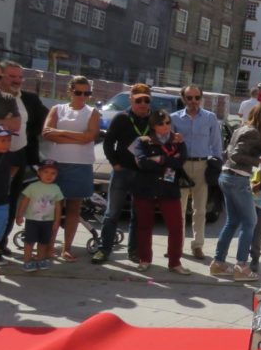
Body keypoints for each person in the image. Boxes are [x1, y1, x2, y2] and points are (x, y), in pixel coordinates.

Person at [211, 104, 261, 281]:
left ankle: (218, 263)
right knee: (250, 222)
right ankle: (242, 266)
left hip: (226, 176)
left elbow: (234, 151)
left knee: (232, 221)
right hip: (238, 178)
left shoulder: (243, 128)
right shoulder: (253, 132)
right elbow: (237, 155)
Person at [42, 76, 100, 262]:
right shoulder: (57, 109)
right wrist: (77, 136)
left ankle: (66, 248)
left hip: (81, 164)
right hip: (56, 164)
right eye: (78, 92)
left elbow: (89, 137)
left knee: (74, 207)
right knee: (53, 207)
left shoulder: (92, 112)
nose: (83, 96)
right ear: (70, 91)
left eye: (87, 93)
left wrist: (61, 133)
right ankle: (49, 247)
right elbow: (46, 133)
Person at [92, 83, 152, 264]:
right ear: (131, 100)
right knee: (112, 213)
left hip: (143, 175)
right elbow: (108, 143)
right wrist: (115, 163)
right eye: (138, 100)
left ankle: (133, 251)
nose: (142, 103)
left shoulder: (154, 119)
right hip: (122, 172)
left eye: (146, 100)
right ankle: (104, 249)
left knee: (138, 215)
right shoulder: (121, 118)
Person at [0, 61, 48, 260]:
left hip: (19, 155)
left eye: (20, 77)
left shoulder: (29, 99)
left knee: (11, 201)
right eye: (12, 76)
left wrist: (27, 136)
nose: (17, 80)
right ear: (1, 77)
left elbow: (43, 120)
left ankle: (1, 243)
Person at [132, 109, 188, 274]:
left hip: (169, 189)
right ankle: (144, 259)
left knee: (176, 227)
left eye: (168, 122)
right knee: (144, 226)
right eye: (161, 123)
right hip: (145, 188)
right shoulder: (142, 141)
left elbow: (180, 162)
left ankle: (175, 262)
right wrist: (168, 161)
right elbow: (142, 163)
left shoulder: (177, 140)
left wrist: (159, 159)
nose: (165, 126)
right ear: (153, 126)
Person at [171, 85, 223, 260]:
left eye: (196, 97)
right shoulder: (174, 119)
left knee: (200, 209)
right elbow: (167, 143)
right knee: (178, 209)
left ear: (201, 98)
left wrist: (216, 165)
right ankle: (176, 246)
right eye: (189, 98)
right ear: (183, 99)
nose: (193, 101)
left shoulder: (210, 118)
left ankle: (197, 245)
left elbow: (217, 145)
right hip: (181, 166)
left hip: (202, 166)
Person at [16, 160, 63, 271]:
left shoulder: (56, 188)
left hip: (48, 221)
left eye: (53, 173)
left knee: (43, 242)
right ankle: (27, 261)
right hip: (32, 220)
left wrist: (57, 221)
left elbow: (58, 206)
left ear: (57, 175)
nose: (49, 175)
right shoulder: (33, 186)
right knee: (29, 242)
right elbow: (24, 201)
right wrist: (19, 215)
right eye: (46, 172)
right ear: (39, 173)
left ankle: (40, 260)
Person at [0, 124, 14, 283]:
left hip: (1, 204)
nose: (7, 143)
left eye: (8, 140)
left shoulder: (9, 156)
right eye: (2, 140)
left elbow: (14, 169)